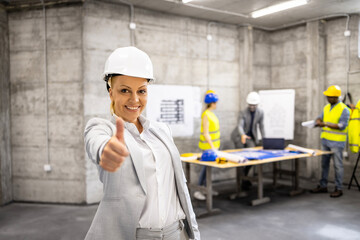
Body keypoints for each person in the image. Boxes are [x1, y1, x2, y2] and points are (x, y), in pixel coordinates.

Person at [84, 47, 200, 240]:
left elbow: (179, 189)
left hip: (177, 233)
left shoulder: (162, 130)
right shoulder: (102, 128)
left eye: (141, 91)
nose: (135, 99)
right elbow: (96, 142)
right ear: (111, 93)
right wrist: (106, 150)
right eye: (124, 90)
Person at [310, 85, 350, 198]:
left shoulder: (344, 109)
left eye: (329, 96)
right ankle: (323, 186)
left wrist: (325, 124)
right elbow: (319, 118)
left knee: (338, 166)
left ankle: (339, 188)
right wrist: (318, 121)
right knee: (324, 164)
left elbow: (342, 126)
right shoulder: (326, 107)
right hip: (325, 141)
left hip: (337, 142)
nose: (327, 98)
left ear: (335, 97)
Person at [230, 91, 265, 189]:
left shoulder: (260, 112)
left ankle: (244, 176)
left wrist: (265, 139)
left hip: (250, 137)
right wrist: (242, 135)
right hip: (239, 137)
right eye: (250, 105)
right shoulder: (243, 112)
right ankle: (240, 181)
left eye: (254, 105)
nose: (252, 107)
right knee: (240, 159)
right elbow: (240, 126)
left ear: (257, 104)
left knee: (252, 157)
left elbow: (261, 126)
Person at [193, 90, 220, 201]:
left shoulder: (211, 113)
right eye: (215, 102)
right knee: (205, 170)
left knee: (208, 170)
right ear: (212, 103)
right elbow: (206, 133)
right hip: (208, 148)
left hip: (213, 147)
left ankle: (207, 189)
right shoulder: (206, 115)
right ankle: (199, 191)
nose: (216, 104)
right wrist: (212, 147)